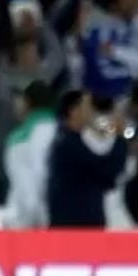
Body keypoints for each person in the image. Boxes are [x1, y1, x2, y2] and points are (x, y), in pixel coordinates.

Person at [47, 89, 128, 228]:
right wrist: (120, 138)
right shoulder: (68, 144)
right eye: (88, 106)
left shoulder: (68, 140)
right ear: (74, 111)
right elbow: (106, 173)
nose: (92, 112)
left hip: (77, 224)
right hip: (76, 227)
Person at [3, 81, 58, 228]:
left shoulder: (20, 139)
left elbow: (28, 185)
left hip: (29, 223)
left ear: (27, 102)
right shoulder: (67, 133)